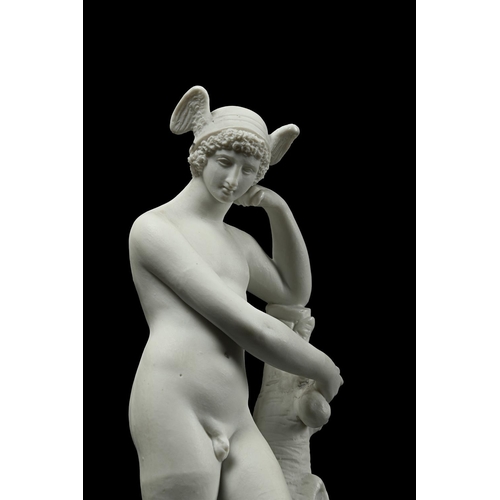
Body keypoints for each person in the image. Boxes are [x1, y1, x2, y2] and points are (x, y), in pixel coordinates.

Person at [128, 86, 343, 500]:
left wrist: (277, 208)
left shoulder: (239, 243)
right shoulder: (154, 228)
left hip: (236, 414)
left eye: (248, 170)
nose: (233, 180)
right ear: (200, 157)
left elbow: (292, 293)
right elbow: (246, 325)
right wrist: (324, 369)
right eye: (225, 162)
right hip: (175, 403)